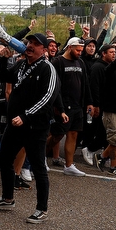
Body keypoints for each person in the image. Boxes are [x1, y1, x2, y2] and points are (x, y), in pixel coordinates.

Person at [0, 33, 59, 224]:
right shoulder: (21, 64)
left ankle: (42, 209)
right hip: (15, 124)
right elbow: (4, 77)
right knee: (4, 159)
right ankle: (7, 198)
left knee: (38, 166)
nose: (30, 46)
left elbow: (47, 98)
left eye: (36, 44)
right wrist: (3, 60)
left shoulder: (47, 69)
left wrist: (26, 115)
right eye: (29, 43)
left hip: (35, 126)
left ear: (44, 50)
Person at [47, 36, 93, 177]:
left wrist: (89, 102)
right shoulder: (58, 62)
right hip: (63, 106)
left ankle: (69, 165)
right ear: (69, 47)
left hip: (77, 105)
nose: (80, 52)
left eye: (81, 50)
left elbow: (85, 83)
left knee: (73, 134)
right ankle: (41, 157)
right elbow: (55, 86)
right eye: (78, 50)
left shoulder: (80, 62)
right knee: (56, 135)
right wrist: (59, 107)